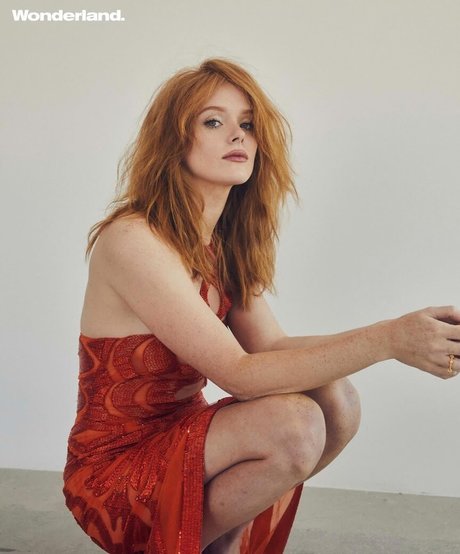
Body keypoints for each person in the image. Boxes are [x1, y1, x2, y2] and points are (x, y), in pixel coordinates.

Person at [62, 57, 460, 554]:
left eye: (248, 124)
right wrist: (390, 341)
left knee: (336, 399)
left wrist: (404, 331)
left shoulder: (221, 244)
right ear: (173, 140)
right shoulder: (133, 240)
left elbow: (271, 345)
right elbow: (241, 374)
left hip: (184, 441)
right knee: (294, 424)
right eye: (214, 121)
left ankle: (217, 546)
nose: (238, 135)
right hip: (116, 474)